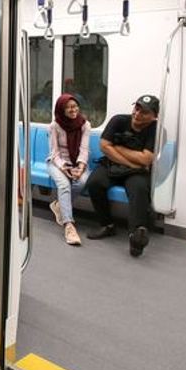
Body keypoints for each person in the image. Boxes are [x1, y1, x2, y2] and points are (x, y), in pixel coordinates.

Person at [85, 95, 160, 257]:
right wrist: (133, 161)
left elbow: (146, 158)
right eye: (137, 108)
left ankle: (136, 236)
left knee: (139, 189)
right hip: (113, 165)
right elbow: (104, 146)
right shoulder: (118, 121)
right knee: (94, 183)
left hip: (135, 173)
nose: (138, 114)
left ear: (154, 116)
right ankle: (107, 225)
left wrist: (117, 148)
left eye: (144, 112)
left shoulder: (155, 130)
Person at [46, 94, 90, 245]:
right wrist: (64, 168)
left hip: (77, 163)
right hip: (57, 163)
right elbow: (54, 153)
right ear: (61, 110)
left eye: (75, 106)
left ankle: (59, 205)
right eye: (69, 107)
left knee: (81, 182)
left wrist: (81, 167)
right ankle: (69, 226)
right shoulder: (54, 126)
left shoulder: (85, 124)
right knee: (64, 185)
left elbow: (84, 150)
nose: (73, 110)